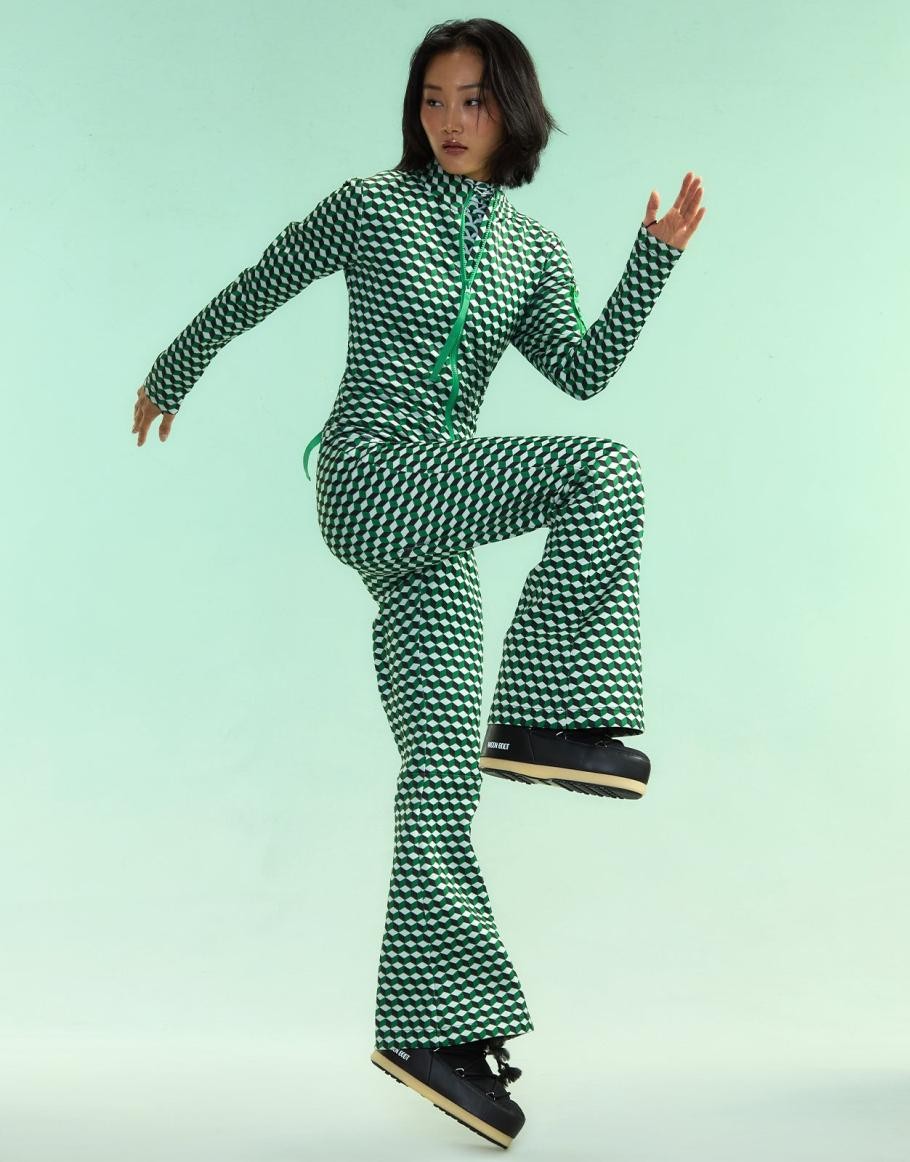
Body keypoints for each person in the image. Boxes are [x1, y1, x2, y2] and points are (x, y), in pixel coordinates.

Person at [132, 17, 704, 1150]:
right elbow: (260, 283)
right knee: (602, 473)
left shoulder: (533, 249)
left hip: (437, 514)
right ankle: (544, 717)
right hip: (370, 475)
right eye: (433, 99)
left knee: (441, 770)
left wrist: (652, 261)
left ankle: (428, 1030)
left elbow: (582, 370)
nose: (448, 119)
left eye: (472, 100)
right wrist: (172, 371)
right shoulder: (369, 205)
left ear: (511, 110)